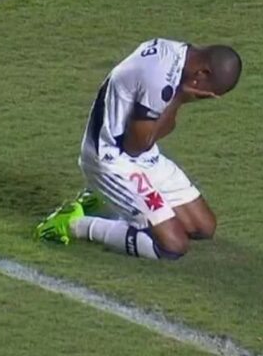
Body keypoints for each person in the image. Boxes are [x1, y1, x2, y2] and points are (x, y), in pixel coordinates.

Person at [33, 38, 242, 260]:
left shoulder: (174, 51)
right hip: (111, 160)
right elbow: (136, 145)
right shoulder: (161, 81)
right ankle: (71, 223)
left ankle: (102, 201)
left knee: (203, 227)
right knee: (172, 245)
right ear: (202, 74)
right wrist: (179, 99)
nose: (205, 98)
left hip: (143, 158)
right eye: (209, 94)